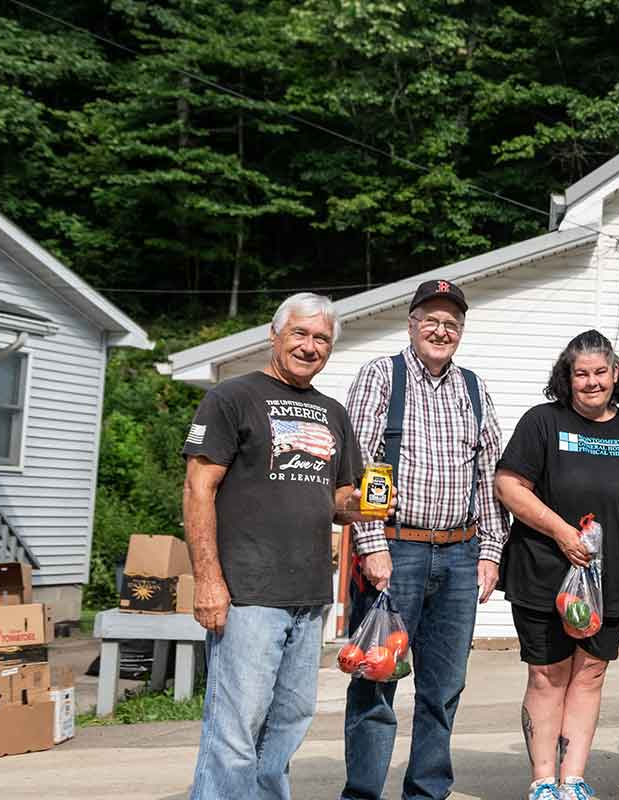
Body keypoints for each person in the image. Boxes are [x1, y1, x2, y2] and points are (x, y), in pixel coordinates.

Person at [184, 293, 387, 800]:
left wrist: (369, 503)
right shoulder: (232, 398)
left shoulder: (332, 413)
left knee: (289, 722)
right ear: (275, 335)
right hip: (248, 592)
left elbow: (338, 498)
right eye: (300, 333)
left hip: (309, 594)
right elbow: (198, 488)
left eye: (322, 338)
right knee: (236, 729)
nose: (310, 345)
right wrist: (209, 581)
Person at [341, 279, 509, 800]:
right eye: (431, 320)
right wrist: (370, 543)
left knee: (443, 688)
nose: (441, 330)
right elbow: (360, 461)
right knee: (377, 676)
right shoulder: (380, 377)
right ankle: (364, 793)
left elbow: (488, 475)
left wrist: (489, 551)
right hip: (397, 549)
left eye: (451, 323)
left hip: (460, 555)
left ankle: (426, 792)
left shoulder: (474, 388)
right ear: (412, 323)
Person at [496, 330, 619, 800]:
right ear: (567, 377)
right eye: (580, 373)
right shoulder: (543, 422)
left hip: (611, 580)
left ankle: (574, 779)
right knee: (548, 673)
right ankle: (544, 779)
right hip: (542, 572)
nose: (591, 382)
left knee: (590, 673)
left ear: (616, 374)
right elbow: (509, 486)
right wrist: (563, 532)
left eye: (600, 372)